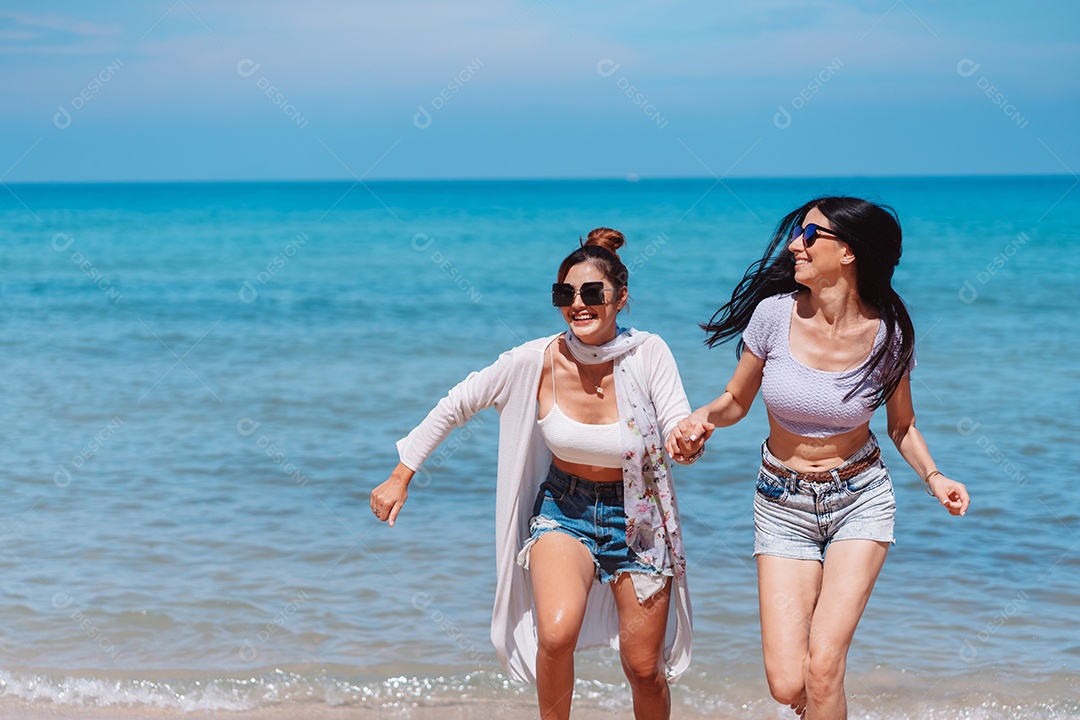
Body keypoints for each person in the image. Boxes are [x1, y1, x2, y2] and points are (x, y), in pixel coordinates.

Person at [371, 229, 695, 720]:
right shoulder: (534, 360)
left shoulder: (648, 353)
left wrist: (684, 442)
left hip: (640, 518)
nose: (578, 305)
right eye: (565, 295)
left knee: (643, 668)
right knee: (557, 634)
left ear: (621, 298)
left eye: (592, 293)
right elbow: (457, 404)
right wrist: (402, 474)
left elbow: (675, 424)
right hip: (564, 509)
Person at [666, 197, 970, 719]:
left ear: (848, 253)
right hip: (782, 502)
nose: (794, 245)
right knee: (789, 684)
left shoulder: (889, 334)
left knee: (824, 667)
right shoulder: (772, 315)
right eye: (797, 233)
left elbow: (902, 425)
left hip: (859, 499)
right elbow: (736, 399)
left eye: (810, 235)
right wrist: (701, 419)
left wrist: (935, 477)